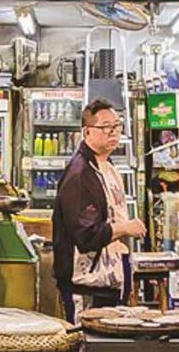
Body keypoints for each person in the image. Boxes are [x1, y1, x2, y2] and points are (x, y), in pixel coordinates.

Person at [52, 99, 146, 322]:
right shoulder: (80, 174)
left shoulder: (106, 165)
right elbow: (87, 235)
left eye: (117, 125)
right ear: (87, 132)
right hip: (86, 286)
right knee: (88, 350)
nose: (113, 132)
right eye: (105, 127)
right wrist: (125, 228)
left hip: (109, 280)